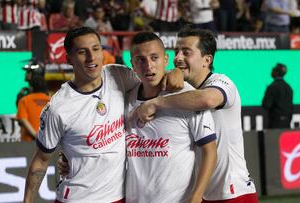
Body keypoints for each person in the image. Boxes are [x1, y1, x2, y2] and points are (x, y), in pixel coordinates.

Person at [23, 26, 183, 203]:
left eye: (96, 49)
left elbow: (151, 74)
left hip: (119, 197)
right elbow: (40, 162)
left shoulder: (118, 75)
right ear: (69, 59)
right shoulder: (58, 108)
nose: (92, 57)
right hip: (78, 198)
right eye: (83, 52)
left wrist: (176, 72)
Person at [132, 28, 258, 203]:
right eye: (176, 52)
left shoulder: (222, 82)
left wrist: (156, 102)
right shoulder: (181, 88)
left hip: (232, 191)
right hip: (202, 193)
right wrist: (173, 73)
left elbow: (207, 99)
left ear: (207, 60)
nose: (178, 58)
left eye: (186, 52)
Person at [125, 31, 217, 203]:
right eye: (140, 60)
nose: (148, 66)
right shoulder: (124, 99)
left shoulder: (188, 98)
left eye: (154, 58)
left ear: (166, 60)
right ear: (133, 64)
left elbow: (210, 151)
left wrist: (197, 196)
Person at [17, 75, 50, 141]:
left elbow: (23, 120)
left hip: (28, 143)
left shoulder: (24, 100)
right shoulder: (51, 100)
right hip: (49, 143)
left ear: (31, 87)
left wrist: (36, 135)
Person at [262, 63, 293, 129]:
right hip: (287, 122)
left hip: (275, 123)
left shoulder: (272, 87)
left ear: (276, 72)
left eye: (273, 69)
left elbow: (266, 104)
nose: (272, 71)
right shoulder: (289, 87)